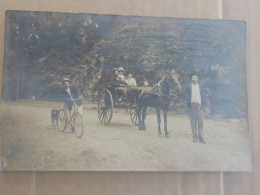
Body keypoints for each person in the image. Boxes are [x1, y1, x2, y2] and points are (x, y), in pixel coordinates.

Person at [186, 74, 206, 144]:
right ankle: (195, 137)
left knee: (200, 122)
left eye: (195, 78)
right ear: (191, 79)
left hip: (199, 106)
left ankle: (201, 138)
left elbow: (204, 97)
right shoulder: (189, 87)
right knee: (193, 122)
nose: (194, 79)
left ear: (197, 79)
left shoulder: (201, 87)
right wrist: (188, 108)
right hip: (191, 106)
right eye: (193, 78)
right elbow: (186, 98)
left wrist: (203, 107)